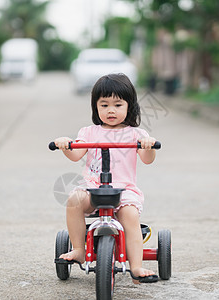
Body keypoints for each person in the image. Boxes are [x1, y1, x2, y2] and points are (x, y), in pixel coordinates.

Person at [54, 73, 158, 283]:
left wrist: (149, 145)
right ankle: (79, 249)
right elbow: (75, 155)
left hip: (124, 190)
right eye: (104, 104)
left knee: (130, 215)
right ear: (96, 107)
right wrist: (66, 144)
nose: (111, 110)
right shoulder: (89, 132)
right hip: (93, 188)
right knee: (73, 200)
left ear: (129, 106)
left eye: (118, 104)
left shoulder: (136, 134)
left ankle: (136, 266)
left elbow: (147, 160)